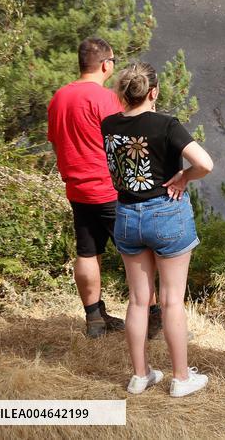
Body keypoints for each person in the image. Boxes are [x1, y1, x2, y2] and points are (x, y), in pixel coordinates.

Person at [102, 62, 213, 397]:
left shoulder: (109, 124)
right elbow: (205, 163)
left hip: (126, 216)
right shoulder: (166, 124)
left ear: (122, 92)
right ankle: (180, 378)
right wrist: (184, 176)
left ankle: (140, 375)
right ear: (154, 92)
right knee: (171, 301)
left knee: (138, 300)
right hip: (165, 213)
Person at [47, 37, 160, 339]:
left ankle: (94, 318)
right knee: (138, 254)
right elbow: (126, 140)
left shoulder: (59, 97)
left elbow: (56, 140)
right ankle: (152, 320)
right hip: (110, 190)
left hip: (77, 189)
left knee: (87, 252)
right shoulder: (105, 99)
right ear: (106, 64)